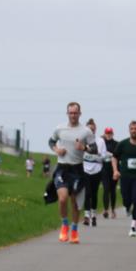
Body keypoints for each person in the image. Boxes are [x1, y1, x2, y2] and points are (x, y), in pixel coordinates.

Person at [48, 102, 96, 244]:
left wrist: (84, 147)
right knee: (63, 198)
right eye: (71, 113)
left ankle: (74, 230)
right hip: (62, 168)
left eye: (75, 113)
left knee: (75, 202)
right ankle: (64, 225)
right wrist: (57, 150)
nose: (73, 115)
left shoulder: (86, 131)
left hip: (77, 169)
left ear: (80, 114)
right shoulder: (59, 128)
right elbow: (51, 142)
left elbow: (94, 149)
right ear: (67, 113)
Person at [81, 119, 108, 227]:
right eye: (89, 129)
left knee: (94, 193)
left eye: (92, 129)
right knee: (87, 193)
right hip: (85, 169)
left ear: (95, 129)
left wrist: (97, 156)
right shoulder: (82, 140)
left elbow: (104, 156)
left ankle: (94, 215)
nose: (91, 131)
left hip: (97, 170)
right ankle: (86, 216)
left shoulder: (100, 141)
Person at [101, 126, 119, 218]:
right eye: (107, 133)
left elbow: (118, 155)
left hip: (114, 170)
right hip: (104, 169)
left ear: (112, 134)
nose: (108, 135)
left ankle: (113, 210)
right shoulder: (101, 143)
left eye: (110, 133)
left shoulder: (117, 144)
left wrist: (111, 154)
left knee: (112, 190)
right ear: (104, 134)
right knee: (106, 189)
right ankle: (105, 209)